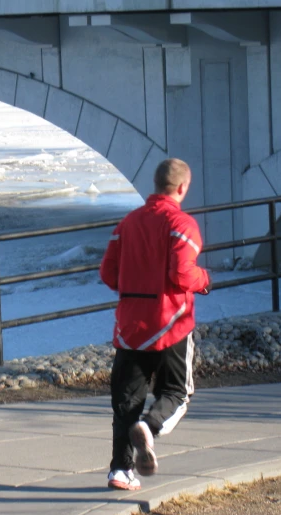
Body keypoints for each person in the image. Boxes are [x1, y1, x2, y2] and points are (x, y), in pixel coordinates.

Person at [99, 158, 211, 491]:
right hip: (170, 322)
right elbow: (181, 274)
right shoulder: (183, 224)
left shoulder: (127, 224)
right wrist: (204, 280)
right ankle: (151, 426)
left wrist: (135, 286)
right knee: (177, 391)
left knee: (126, 401)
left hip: (130, 324)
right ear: (182, 188)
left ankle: (120, 471)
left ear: (155, 183)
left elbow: (108, 274)